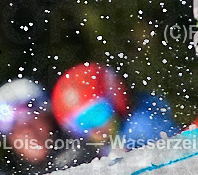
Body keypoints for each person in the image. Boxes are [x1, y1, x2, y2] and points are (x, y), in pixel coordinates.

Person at [0, 77, 98, 175]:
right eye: (14, 128)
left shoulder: (87, 149)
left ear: (49, 117)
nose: (26, 131)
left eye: (31, 118)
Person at [51, 63, 179, 150]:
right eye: (83, 123)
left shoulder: (143, 125)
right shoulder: (103, 146)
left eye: (97, 114)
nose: (95, 129)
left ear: (116, 99)